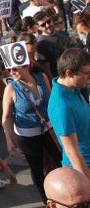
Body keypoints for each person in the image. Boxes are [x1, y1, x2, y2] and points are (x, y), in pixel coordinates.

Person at [1, 64, 61, 202]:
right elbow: (6, 117)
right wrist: (9, 140)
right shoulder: (11, 88)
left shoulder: (42, 77)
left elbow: (53, 101)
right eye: (9, 69)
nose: (11, 72)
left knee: (60, 161)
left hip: (49, 129)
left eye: (15, 69)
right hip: (27, 135)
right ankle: (47, 201)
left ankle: (64, 195)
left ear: (26, 66)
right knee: (37, 169)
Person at [48, 48, 90, 179]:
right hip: (84, 168)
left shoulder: (74, 89)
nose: (89, 77)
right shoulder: (61, 107)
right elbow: (72, 152)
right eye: (87, 73)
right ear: (69, 73)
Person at [34, 11, 72, 77]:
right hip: (63, 78)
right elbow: (47, 70)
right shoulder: (41, 44)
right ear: (38, 27)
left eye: (48, 21)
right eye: (43, 25)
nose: (48, 25)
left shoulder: (61, 33)